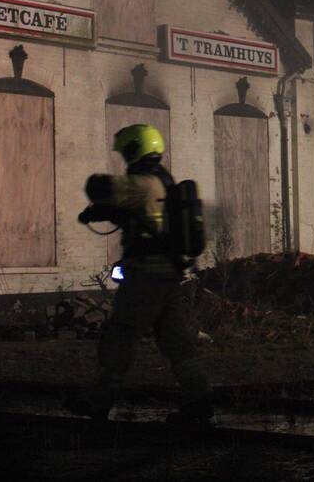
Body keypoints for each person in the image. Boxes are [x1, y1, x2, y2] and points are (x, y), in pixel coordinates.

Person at [65, 124, 212, 424]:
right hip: (169, 275)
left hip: (145, 276)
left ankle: (97, 400)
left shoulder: (141, 183)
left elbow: (101, 188)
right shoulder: (162, 182)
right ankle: (199, 403)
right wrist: (103, 212)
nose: (123, 158)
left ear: (135, 150)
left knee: (121, 336)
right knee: (177, 342)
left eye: (125, 151)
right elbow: (136, 214)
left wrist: (95, 203)